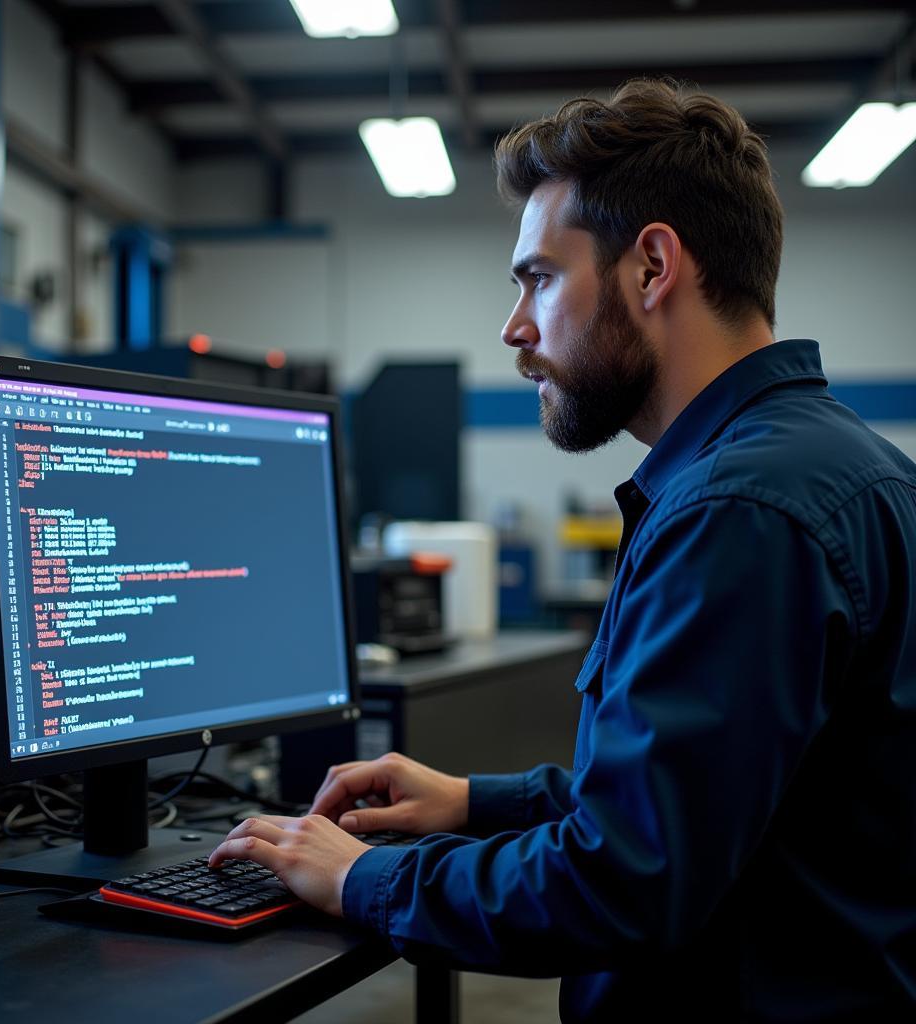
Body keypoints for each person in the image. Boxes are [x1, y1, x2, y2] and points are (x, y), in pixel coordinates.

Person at [209, 80, 916, 1021]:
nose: (515, 327)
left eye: (538, 276)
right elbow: (718, 796)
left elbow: (622, 881)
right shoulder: (844, 467)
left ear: (653, 266)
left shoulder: (736, 510)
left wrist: (363, 878)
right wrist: (474, 802)